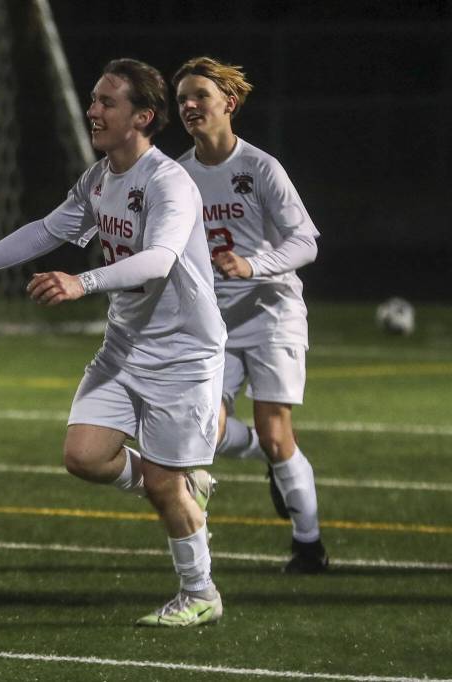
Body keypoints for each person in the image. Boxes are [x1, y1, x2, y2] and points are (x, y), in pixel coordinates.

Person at [0, 59, 227, 627]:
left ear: (144, 116)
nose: (93, 111)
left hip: (183, 352)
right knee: (83, 456)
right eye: (94, 100)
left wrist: (83, 281)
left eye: (108, 102)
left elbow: (158, 261)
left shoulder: (168, 182)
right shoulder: (101, 176)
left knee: (160, 484)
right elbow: (47, 228)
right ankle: (183, 482)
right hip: (126, 346)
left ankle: (200, 592)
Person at [173, 57, 328, 573]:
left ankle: (309, 546)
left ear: (228, 104)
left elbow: (306, 241)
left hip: (272, 313)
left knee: (278, 434)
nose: (189, 106)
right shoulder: (177, 176)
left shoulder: (260, 168)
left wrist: (253, 264)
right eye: (182, 100)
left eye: (199, 96)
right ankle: (266, 457)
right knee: (205, 433)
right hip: (214, 323)